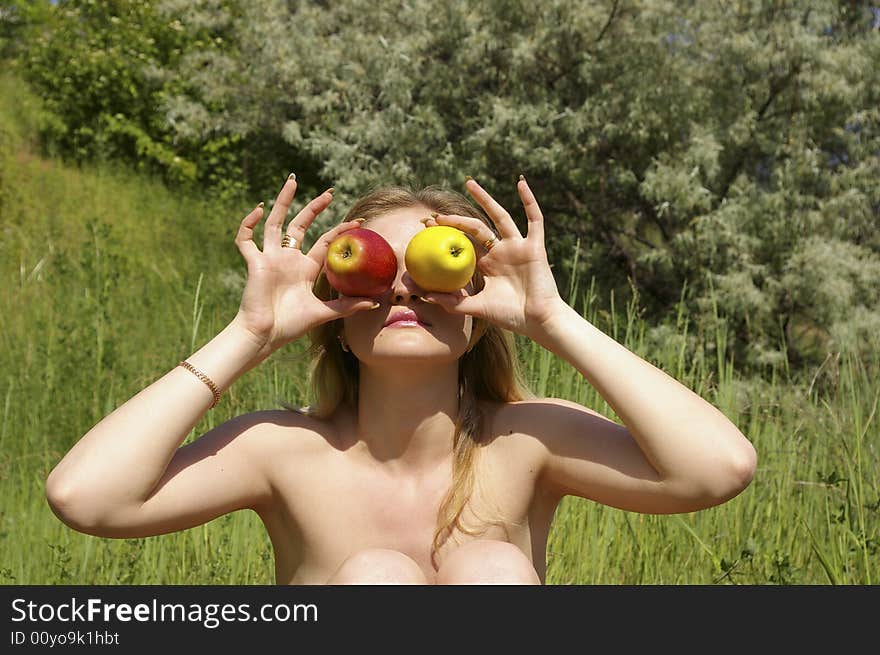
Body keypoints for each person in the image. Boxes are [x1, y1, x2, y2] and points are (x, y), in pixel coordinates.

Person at [45, 174, 757, 585]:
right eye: (376, 272)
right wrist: (251, 335)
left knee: (490, 570)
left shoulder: (526, 440)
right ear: (334, 312)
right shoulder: (285, 451)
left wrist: (550, 317)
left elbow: (718, 468)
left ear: (477, 310)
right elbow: (86, 496)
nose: (405, 291)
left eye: (436, 270)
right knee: (375, 577)